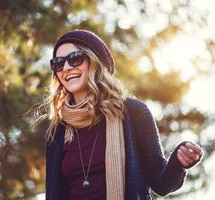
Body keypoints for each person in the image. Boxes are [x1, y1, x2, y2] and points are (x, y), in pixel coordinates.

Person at [43, 29, 203, 200]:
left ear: (95, 62)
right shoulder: (58, 129)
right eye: (58, 63)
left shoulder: (133, 112)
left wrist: (179, 163)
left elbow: (161, 184)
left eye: (75, 58)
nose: (66, 68)